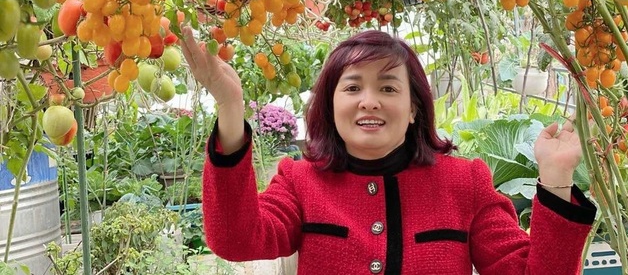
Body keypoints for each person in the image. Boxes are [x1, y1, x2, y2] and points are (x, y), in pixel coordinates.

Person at [180, 27, 596, 275]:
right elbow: (236, 239)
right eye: (353, 86)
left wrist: (557, 177)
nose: (369, 101)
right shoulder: (301, 181)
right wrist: (230, 107)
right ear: (331, 104)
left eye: (388, 88)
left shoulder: (463, 183)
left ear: (414, 109)